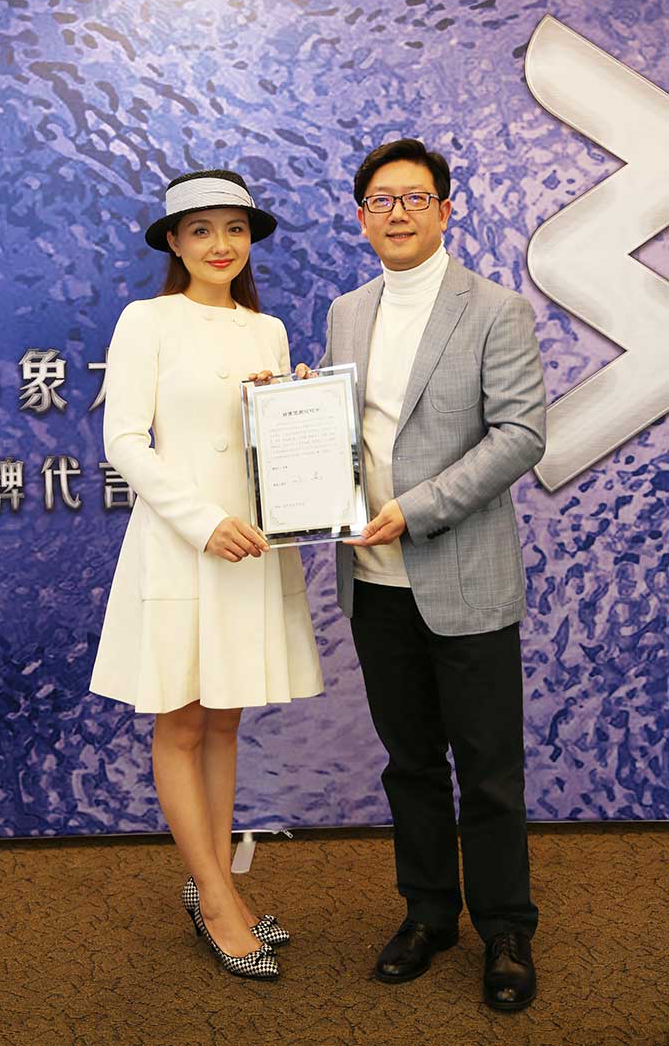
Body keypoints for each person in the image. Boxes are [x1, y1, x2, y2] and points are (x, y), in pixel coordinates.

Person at [298, 138, 545, 1009]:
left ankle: (506, 929)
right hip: (373, 580)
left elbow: (520, 435)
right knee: (409, 763)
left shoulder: (496, 309)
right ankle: (429, 913)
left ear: (445, 209)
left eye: (413, 198)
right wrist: (295, 411)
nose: (396, 213)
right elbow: (345, 427)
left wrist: (420, 506)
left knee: (488, 770)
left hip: (463, 574)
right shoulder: (346, 311)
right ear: (360, 217)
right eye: (380, 201)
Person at [89, 168, 323, 981]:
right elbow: (124, 440)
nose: (221, 245)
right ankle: (218, 901)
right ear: (174, 243)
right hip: (184, 545)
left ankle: (216, 883)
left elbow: (272, 445)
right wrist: (201, 521)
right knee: (181, 723)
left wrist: (299, 413)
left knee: (225, 722)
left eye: (234, 228)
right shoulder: (146, 320)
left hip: (250, 549)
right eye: (200, 230)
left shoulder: (269, 330)